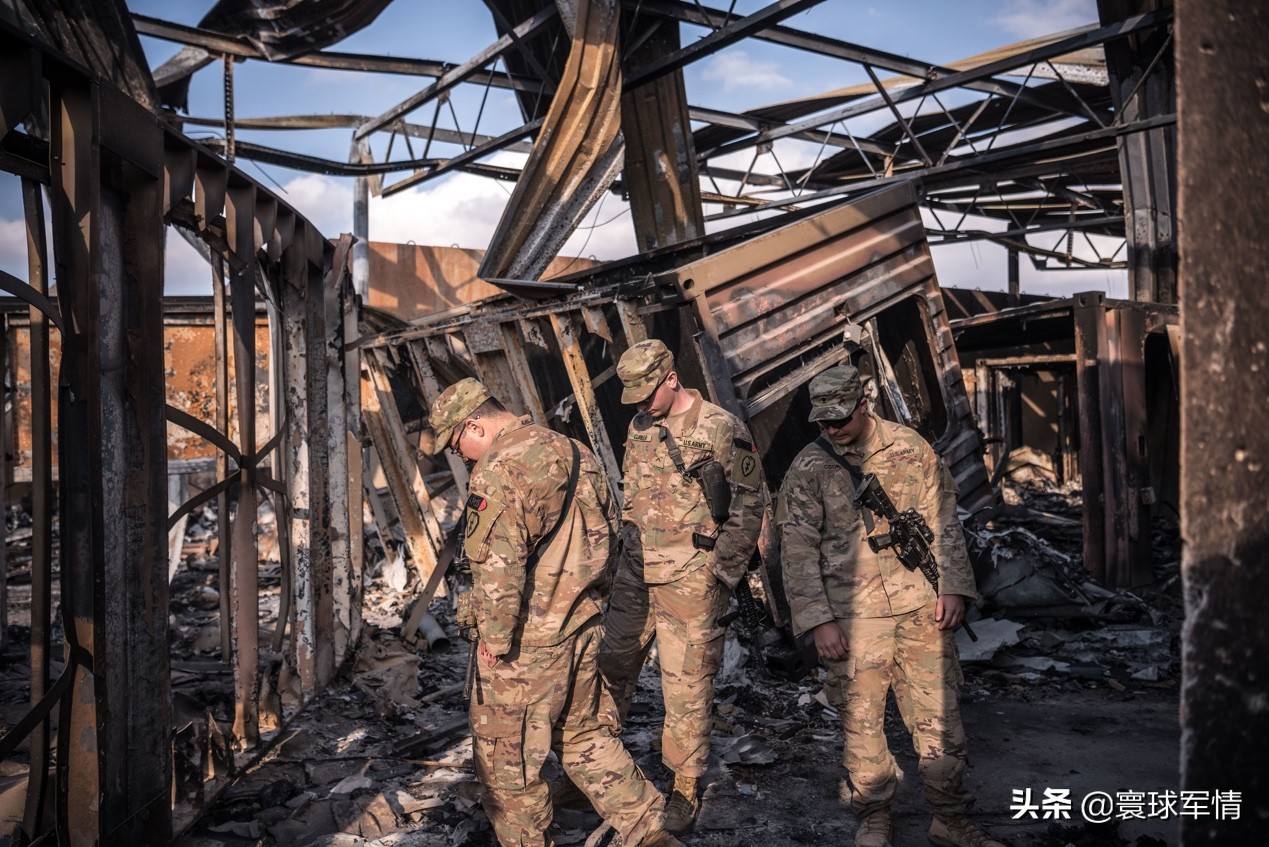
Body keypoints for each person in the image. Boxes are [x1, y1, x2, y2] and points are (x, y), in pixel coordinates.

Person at [428, 378, 681, 847]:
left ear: (474, 424)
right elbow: (609, 535)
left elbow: (499, 571)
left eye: (456, 442)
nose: (460, 455)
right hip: (583, 626)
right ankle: (650, 830)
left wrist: (493, 644)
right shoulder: (575, 451)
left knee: (509, 766)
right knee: (584, 735)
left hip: (527, 646)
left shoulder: (498, 470)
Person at [777, 364, 1005, 847]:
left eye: (840, 417)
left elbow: (944, 521)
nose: (832, 429)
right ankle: (874, 814)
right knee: (861, 724)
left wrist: (954, 587)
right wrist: (818, 622)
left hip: (921, 606)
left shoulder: (910, 448)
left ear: (865, 403)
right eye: (823, 422)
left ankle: (951, 819)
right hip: (853, 618)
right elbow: (796, 553)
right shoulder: (808, 468)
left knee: (939, 720)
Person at [600, 339, 764, 834]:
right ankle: (598, 766)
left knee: (686, 684)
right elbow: (635, 495)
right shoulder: (640, 424)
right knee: (611, 664)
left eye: (646, 392)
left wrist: (721, 570)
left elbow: (751, 503)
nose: (640, 404)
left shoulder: (720, 427)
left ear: (671, 377)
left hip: (691, 577)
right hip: (636, 571)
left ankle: (685, 784)